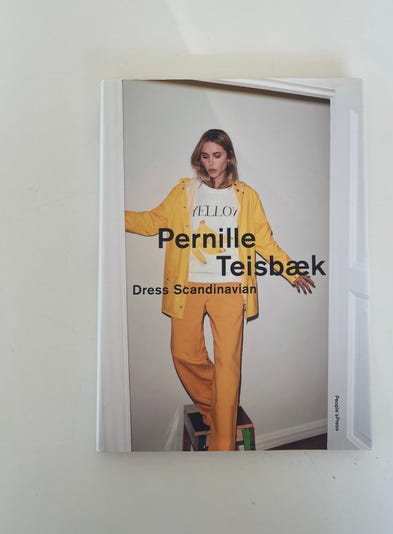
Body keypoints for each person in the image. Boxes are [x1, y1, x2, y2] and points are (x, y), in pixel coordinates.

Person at [125, 129, 314, 451]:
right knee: (183, 353)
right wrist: (111, 215)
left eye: (217, 155)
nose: (211, 163)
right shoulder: (185, 192)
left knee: (228, 365)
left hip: (230, 287)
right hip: (188, 287)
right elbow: (153, 221)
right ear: (199, 158)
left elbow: (263, 241)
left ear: (229, 157)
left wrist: (291, 270)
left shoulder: (246, 195)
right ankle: (216, 411)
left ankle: (222, 446)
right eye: (205, 156)